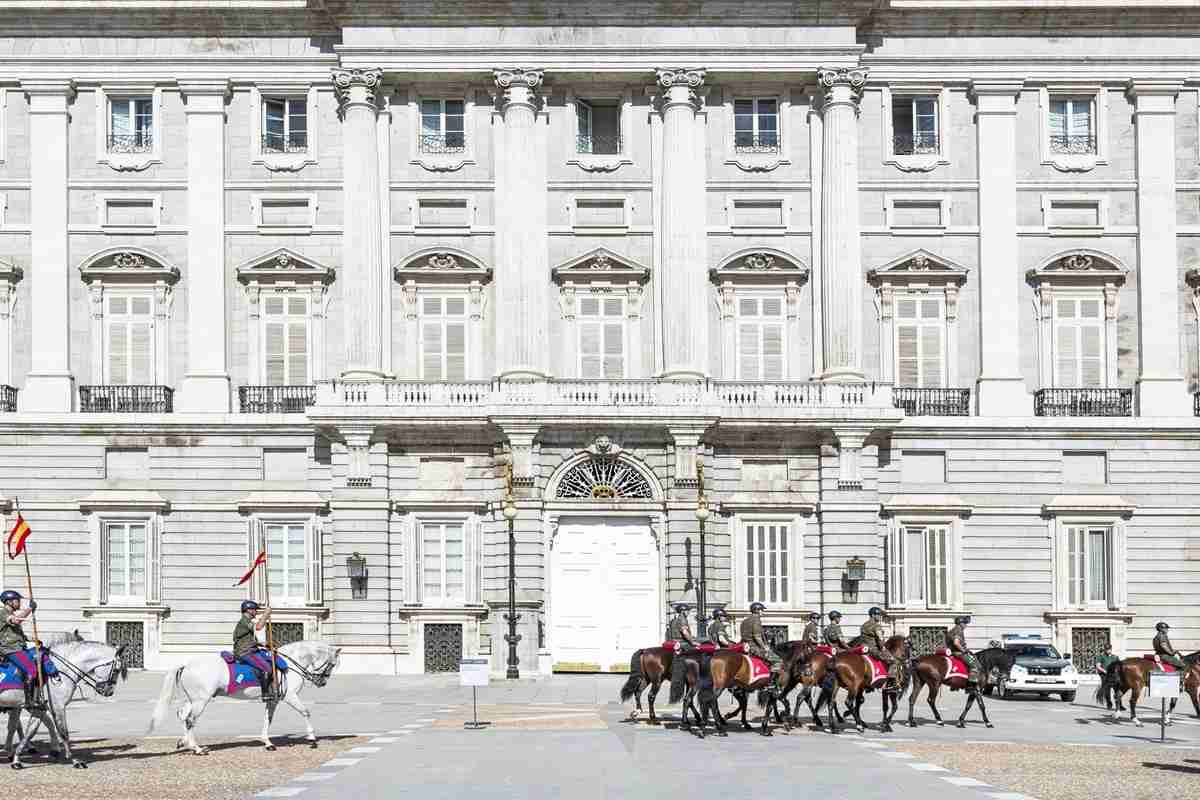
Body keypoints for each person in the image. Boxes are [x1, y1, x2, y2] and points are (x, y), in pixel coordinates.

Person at [1, 590, 40, 707]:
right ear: (9, 602)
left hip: (18, 647)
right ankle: (29, 700)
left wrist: (33, 639)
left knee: (37, 660)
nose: (19, 603)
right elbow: (16, 620)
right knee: (32, 669)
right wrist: (29, 609)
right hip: (10, 649)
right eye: (17, 601)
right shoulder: (3, 613)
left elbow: (18, 635)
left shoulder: (12, 614)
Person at [234, 600, 275, 701]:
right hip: (245, 652)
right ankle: (265, 694)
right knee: (267, 668)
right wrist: (266, 614)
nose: (256, 612)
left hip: (250, 649)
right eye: (254, 610)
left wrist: (264, 644)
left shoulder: (247, 621)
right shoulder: (244, 621)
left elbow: (248, 640)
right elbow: (259, 627)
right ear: (248, 610)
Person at [740, 602, 782, 681]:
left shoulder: (744, 621)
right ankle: (770, 681)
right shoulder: (756, 619)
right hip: (754, 648)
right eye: (762, 610)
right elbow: (757, 636)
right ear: (757, 610)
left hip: (744, 647)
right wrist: (765, 647)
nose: (763, 612)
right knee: (777, 660)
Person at [861, 606, 901, 686]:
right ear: (872, 615)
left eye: (880, 615)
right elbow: (880, 641)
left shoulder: (864, 625)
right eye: (878, 614)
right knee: (893, 660)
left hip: (864, 649)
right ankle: (891, 682)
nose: (880, 616)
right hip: (874, 650)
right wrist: (883, 648)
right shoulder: (876, 626)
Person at [946, 615, 980, 685]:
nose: (966, 625)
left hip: (953, 652)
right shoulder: (958, 630)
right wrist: (963, 650)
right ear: (961, 623)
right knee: (974, 664)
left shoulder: (952, 630)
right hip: (958, 653)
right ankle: (971, 683)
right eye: (965, 623)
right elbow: (956, 643)